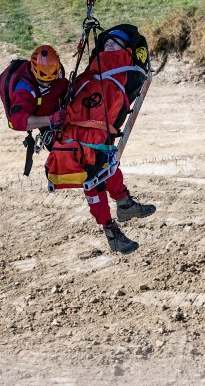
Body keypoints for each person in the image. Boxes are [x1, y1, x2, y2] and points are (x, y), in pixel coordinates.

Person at [46, 30, 155, 254]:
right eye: (107, 45)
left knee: (107, 166)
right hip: (77, 137)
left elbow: (135, 79)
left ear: (126, 50)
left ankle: (124, 203)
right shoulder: (90, 74)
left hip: (93, 136)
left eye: (116, 44)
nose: (110, 47)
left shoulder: (126, 71)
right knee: (96, 173)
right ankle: (110, 228)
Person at [7, 44, 69, 134]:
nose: (46, 83)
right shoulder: (24, 91)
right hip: (45, 121)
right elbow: (16, 121)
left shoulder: (55, 75)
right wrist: (50, 119)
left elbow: (66, 86)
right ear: (33, 71)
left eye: (51, 80)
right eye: (42, 80)